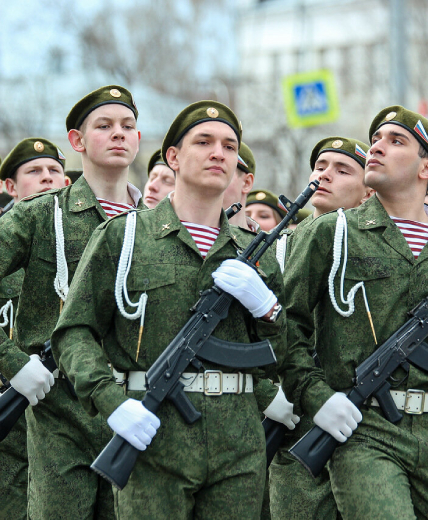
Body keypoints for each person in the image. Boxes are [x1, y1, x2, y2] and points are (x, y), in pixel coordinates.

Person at [52, 100, 292, 518]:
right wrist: (111, 401)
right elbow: (74, 332)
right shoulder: (124, 238)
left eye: (229, 146)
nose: (219, 153)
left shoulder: (252, 254)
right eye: (204, 141)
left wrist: (268, 309)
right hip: (153, 431)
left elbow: (283, 356)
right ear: (174, 158)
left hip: (238, 442)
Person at [282, 106, 428, 519]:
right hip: (366, 427)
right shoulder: (332, 232)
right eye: (376, 138)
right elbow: (288, 325)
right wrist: (316, 397)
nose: (377, 146)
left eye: (396, 141)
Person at [0, 85, 144, 519]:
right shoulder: (41, 214)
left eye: (128, 126)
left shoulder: (157, 224)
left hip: (137, 406)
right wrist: (12, 361)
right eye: (104, 126)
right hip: (61, 408)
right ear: (77, 142)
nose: (118, 134)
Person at [269, 135, 371, 520]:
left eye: (342, 170)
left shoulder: (375, 251)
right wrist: (270, 392)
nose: (323, 176)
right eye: (320, 167)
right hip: (294, 417)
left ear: (367, 193)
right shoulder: (277, 247)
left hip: (361, 416)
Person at [0, 138, 69, 520]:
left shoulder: (82, 243)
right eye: (34, 171)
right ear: (9, 186)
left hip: (63, 408)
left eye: (55, 171)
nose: (47, 179)